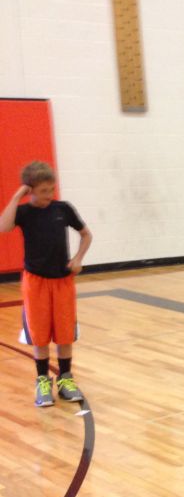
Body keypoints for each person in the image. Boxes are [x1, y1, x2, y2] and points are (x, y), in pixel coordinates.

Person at [0, 161, 93, 407]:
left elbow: (86, 234)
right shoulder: (23, 212)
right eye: (43, 191)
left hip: (63, 281)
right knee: (39, 334)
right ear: (30, 190)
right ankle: (42, 381)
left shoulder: (63, 209)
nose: (49, 195)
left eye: (51, 189)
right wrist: (17, 196)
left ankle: (65, 379)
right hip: (36, 282)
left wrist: (78, 258)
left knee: (64, 333)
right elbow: (3, 227)